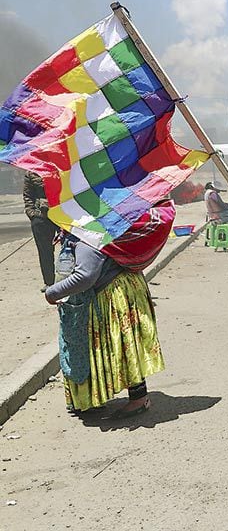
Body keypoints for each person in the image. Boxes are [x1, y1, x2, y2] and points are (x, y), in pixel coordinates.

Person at [44, 201, 174, 417]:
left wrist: (52, 293)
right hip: (124, 287)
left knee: (120, 346)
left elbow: (85, 275)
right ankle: (131, 396)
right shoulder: (98, 221)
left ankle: (138, 399)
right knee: (125, 346)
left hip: (112, 294)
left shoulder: (87, 232)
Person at [23, 171, 59, 290]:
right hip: (40, 217)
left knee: (70, 247)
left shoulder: (59, 165)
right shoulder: (31, 172)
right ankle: (49, 282)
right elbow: (28, 195)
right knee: (45, 251)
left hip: (62, 214)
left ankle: (70, 280)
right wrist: (32, 214)